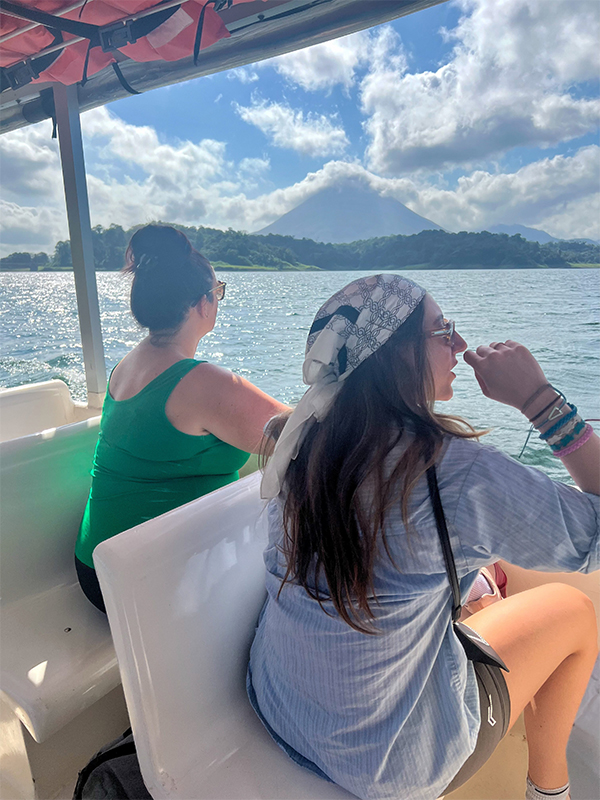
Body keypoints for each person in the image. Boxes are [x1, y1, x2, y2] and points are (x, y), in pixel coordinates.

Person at [248, 274, 599, 800]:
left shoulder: (297, 440)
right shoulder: (454, 475)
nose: (458, 343)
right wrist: (538, 399)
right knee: (575, 612)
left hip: (279, 707)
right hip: (389, 763)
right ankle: (550, 789)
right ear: (399, 355)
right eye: (442, 330)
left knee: (474, 584)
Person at [75, 224, 288, 613]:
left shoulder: (128, 363)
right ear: (202, 304)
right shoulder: (201, 382)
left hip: (95, 566)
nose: (218, 301)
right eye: (217, 291)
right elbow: (300, 435)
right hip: (137, 585)